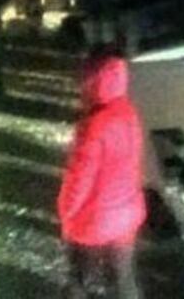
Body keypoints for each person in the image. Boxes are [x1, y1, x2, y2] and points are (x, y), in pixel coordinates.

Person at [57, 52, 146, 299]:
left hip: (94, 220)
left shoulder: (93, 125)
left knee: (79, 279)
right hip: (127, 214)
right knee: (124, 279)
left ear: (91, 82)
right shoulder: (129, 112)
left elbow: (78, 181)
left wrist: (66, 215)